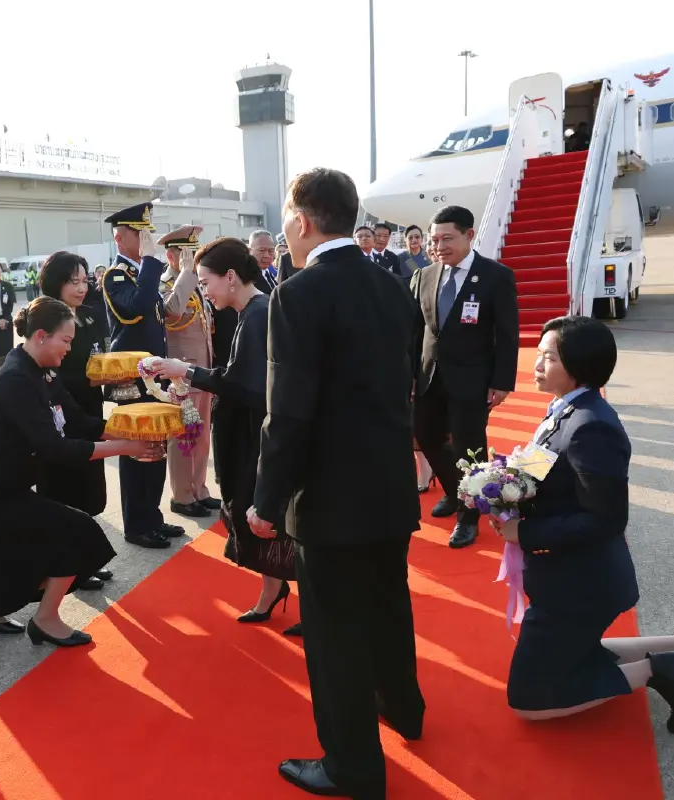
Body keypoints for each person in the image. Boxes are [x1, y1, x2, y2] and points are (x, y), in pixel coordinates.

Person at [249, 170, 424, 799]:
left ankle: (352, 765)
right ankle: (405, 708)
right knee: (387, 604)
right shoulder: (393, 286)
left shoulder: (300, 294)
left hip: (330, 498)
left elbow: (288, 414)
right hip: (387, 485)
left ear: (303, 221)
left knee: (334, 633)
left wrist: (267, 499)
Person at [497, 315, 674, 731]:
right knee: (585, 651)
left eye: (548, 356)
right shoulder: (565, 408)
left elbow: (605, 519)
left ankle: (661, 670)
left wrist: (525, 532)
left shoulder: (591, 426)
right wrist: (498, 487)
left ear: (580, 363)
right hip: (567, 576)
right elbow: (541, 471)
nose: (536, 364)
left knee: (529, 701)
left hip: (581, 585)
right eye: (538, 354)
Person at [0, 297, 161, 644]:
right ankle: (45, 619)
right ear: (40, 337)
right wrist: (127, 448)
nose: (69, 348)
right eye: (65, 340)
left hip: (7, 486)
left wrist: (132, 433)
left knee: (44, 544)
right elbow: (56, 448)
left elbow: (78, 421)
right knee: (78, 532)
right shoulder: (17, 378)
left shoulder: (44, 372)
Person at [151, 237, 297, 628]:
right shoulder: (251, 311)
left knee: (265, 519)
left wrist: (187, 372)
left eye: (205, 281)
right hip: (245, 432)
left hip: (253, 436)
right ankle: (273, 588)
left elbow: (244, 386)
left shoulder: (257, 313)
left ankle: (303, 600)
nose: (203, 290)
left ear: (230, 277)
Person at [412, 204, 520, 549]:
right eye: (434, 239)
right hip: (430, 376)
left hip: (472, 379)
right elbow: (419, 331)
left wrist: (502, 381)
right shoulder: (425, 275)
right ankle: (457, 493)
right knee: (426, 437)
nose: (439, 245)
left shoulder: (495, 276)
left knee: (469, 449)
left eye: (447, 238)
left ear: (469, 235)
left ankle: (469, 515)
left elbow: (507, 333)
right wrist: (412, 374)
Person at [100, 201, 183, 549]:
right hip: (131, 379)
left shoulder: (146, 272)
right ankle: (136, 524)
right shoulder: (116, 275)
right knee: (137, 449)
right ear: (121, 240)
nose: (149, 238)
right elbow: (135, 307)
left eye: (149, 232)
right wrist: (151, 262)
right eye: (142, 233)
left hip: (155, 373)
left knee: (157, 444)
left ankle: (153, 516)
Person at [34, 252, 113, 588]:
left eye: (85, 280)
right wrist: (91, 380)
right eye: (73, 281)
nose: (82, 288)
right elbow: (48, 376)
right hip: (60, 416)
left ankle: (83, 563)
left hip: (91, 410)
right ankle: (65, 570)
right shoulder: (46, 319)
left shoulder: (93, 316)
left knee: (91, 492)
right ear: (56, 284)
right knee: (64, 495)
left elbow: (104, 358)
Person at [158, 225, 219, 518]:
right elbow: (172, 313)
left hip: (202, 371)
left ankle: (199, 489)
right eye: (187, 254)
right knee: (183, 438)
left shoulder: (193, 283)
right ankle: (182, 496)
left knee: (201, 435)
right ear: (172, 256)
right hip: (180, 376)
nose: (192, 260)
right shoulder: (168, 284)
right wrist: (185, 273)